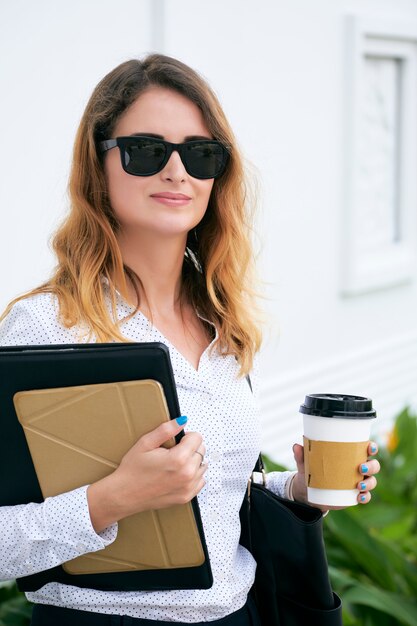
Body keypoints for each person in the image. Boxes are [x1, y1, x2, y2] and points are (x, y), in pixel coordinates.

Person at [0, 54, 380, 625]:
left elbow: (216, 492)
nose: (177, 172)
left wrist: (300, 491)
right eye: (147, 150)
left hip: (239, 614)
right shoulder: (46, 326)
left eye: (201, 154)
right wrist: (111, 500)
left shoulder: (222, 323)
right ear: (98, 164)